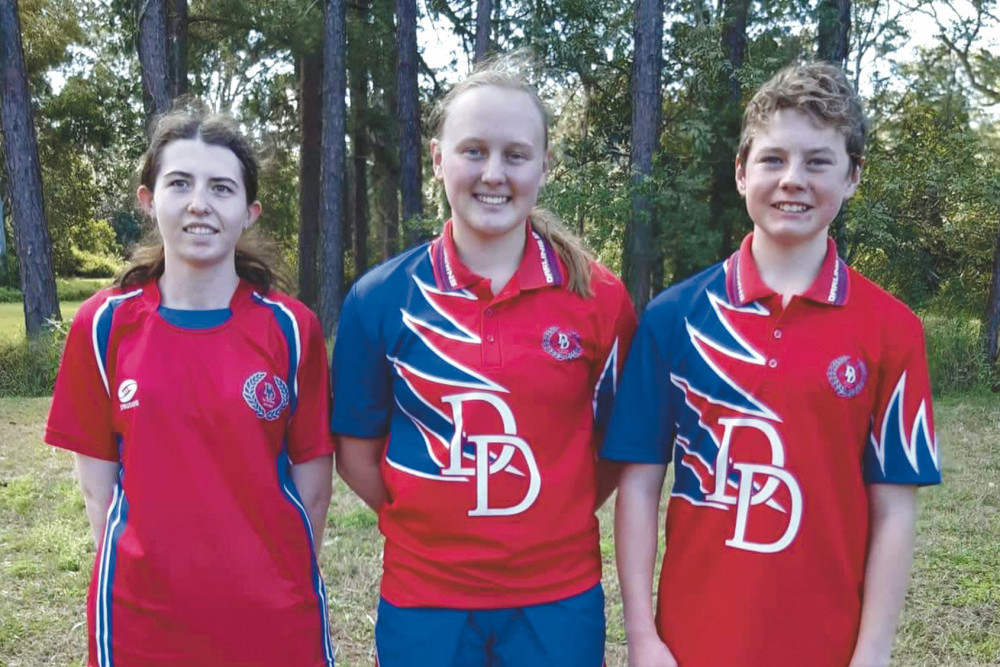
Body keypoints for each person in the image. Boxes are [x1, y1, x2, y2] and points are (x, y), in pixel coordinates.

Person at [602, 61, 941, 667]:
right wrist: (642, 637)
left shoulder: (893, 330)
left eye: (818, 162)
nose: (793, 180)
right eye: (773, 160)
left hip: (828, 645)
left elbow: (894, 510)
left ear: (853, 176)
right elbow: (640, 484)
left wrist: (873, 653)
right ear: (741, 172)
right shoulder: (672, 317)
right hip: (691, 641)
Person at [331, 55, 636, 667]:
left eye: (515, 155)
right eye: (473, 150)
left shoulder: (600, 300)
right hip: (425, 597)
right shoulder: (379, 298)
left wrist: (548, 520)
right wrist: (429, 526)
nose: (493, 173)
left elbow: (615, 449)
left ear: (545, 166)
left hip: (557, 596)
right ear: (439, 156)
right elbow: (355, 454)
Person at [45, 107, 336, 667]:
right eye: (180, 183)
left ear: (248, 212)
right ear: (148, 199)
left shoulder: (292, 329)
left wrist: (275, 579)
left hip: (273, 617)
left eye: (221, 187)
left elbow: (314, 488)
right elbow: (98, 494)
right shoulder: (103, 324)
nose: (199, 203)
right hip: (141, 621)